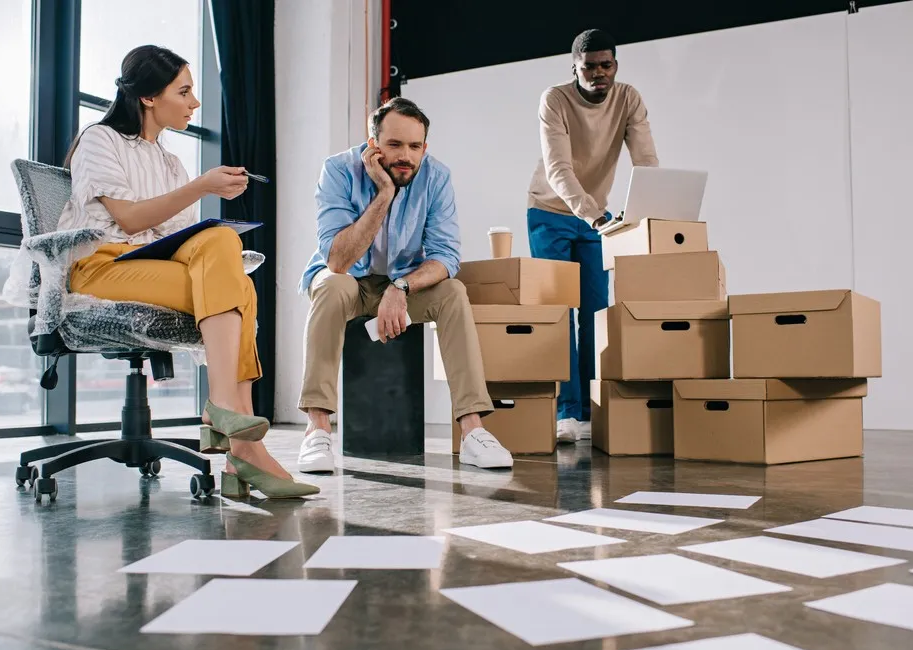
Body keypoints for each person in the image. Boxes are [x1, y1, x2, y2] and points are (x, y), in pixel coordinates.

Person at [58, 45, 317, 499]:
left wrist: (210, 219)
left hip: (149, 268)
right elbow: (131, 220)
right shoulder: (99, 140)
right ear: (149, 98)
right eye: (185, 91)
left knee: (223, 250)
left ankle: (231, 428)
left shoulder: (169, 162)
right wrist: (201, 186)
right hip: (101, 268)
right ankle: (240, 441)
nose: (195, 102)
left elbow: (177, 240)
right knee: (234, 283)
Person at [297, 97, 513, 472]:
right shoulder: (337, 170)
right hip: (350, 282)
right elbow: (338, 260)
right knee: (331, 286)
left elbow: (446, 257)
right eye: (395, 145)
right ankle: (317, 430)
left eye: (415, 147)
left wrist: (400, 288)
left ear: (425, 147)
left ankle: (473, 430)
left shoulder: (436, 176)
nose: (406, 156)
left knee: (453, 293)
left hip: (401, 284)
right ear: (373, 144)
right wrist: (384, 194)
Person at [526, 28, 659, 444]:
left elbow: (646, 160)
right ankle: (567, 412)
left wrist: (651, 214)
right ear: (575, 68)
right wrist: (595, 216)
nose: (598, 74)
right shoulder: (555, 99)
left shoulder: (628, 97)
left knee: (596, 311)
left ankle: (589, 411)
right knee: (561, 311)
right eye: (589, 67)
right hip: (550, 211)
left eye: (606, 65)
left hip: (596, 218)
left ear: (615, 65)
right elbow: (558, 169)